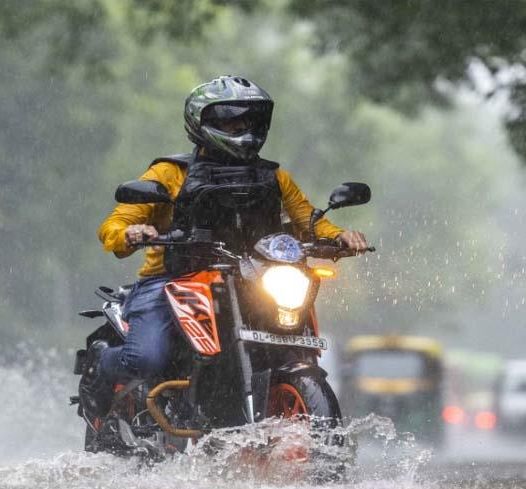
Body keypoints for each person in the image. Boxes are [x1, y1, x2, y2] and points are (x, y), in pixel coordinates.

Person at [81, 75, 369, 420]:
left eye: (248, 119)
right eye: (230, 120)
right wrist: (131, 233)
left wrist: (339, 237)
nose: (242, 127)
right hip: (172, 278)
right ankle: (102, 364)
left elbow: (309, 221)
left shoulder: (274, 177)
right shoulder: (170, 173)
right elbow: (113, 226)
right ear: (202, 123)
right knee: (147, 358)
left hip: (253, 278)